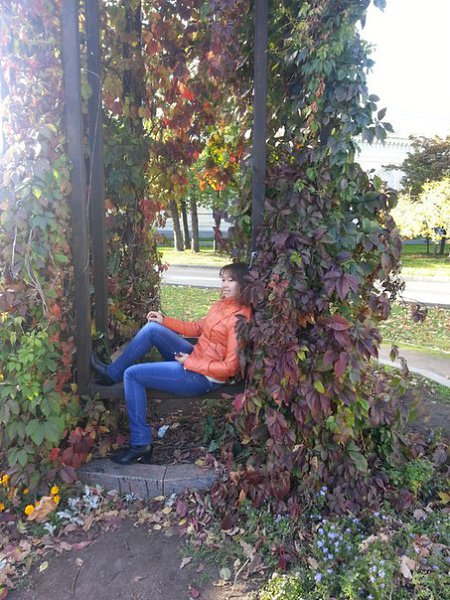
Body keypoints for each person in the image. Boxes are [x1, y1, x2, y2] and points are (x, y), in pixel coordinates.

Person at [90, 262, 252, 465]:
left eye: (231, 280)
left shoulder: (240, 319)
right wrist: (164, 320)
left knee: (132, 375)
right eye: (223, 279)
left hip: (203, 376)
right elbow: (196, 328)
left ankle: (140, 445)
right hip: (195, 357)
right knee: (152, 329)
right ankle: (111, 374)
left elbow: (230, 368)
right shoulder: (221, 305)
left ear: (243, 283)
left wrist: (191, 362)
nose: (225, 285)